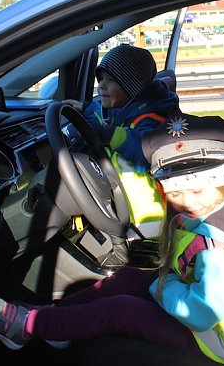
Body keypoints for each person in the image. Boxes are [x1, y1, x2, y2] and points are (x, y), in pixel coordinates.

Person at [0, 114, 224, 364]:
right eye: (175, 194)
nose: (188, 203)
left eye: (197, 190)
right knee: (129, 278)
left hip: (222, 344)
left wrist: (165, 287)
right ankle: (50, 319)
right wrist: (164, 284)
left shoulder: (220, 253)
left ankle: (28, 327)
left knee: (121, 310)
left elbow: (200, 314)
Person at [64, 43, 180, 235]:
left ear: (131, 86)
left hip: (152, 218)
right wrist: (84, 108)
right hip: (130, 212)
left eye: (111, 80)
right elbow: (104, 115)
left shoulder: (151, 119)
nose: (101, 85)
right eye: (100, 79)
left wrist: (106, 134)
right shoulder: (125, 108)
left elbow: (145, 151)